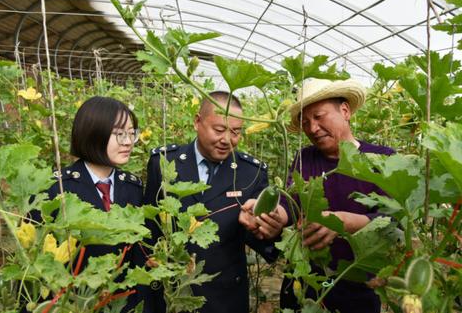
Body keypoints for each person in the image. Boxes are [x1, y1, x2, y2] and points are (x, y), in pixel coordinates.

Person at [241, 79, 394, 313]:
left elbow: (395, 222)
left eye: (319, 117)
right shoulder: (305, 157)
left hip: (357, 282)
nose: (312, 128)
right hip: (305, 279)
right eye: (305, 122)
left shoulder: (383, 158)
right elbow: (289, 205)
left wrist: (343, 222)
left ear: (345, 111)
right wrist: (272, 217)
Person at [144, 91, 284, 313]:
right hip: (169, 294)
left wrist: (268, 229)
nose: (227, 140)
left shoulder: (251, 172)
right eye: (219, 130)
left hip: (224, 297)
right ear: (197, 122)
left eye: (235, 132)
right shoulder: (163, 162)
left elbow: (264, 242)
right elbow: (149, 230)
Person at [35, 96, 162, 313]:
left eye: (132, 133)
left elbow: (139, 258)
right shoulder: (56, 189)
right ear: (92, 132)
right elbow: (38, 264)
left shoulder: (132, 186)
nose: (128, 141)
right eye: (119, 134)